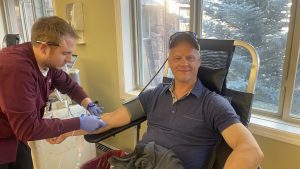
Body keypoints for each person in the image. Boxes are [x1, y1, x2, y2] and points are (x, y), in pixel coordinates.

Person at [50, 31, 264, 169]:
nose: (184, 63)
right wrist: (67, 130)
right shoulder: (155, 95)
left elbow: (250, 149)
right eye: (177, 58)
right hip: (139, 162)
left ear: (199, 62)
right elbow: (111, 119)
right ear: (169, 62)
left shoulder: (214, 104)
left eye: (190, 58)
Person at [0, 16, 107, 169]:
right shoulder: (16, 69)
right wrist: (80, 122)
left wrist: (88, 103)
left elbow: (69, 85)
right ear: (44, 48)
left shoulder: (46, 61)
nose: (69, 59)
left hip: (14, 133)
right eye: (65, 53)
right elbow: (28, 129)